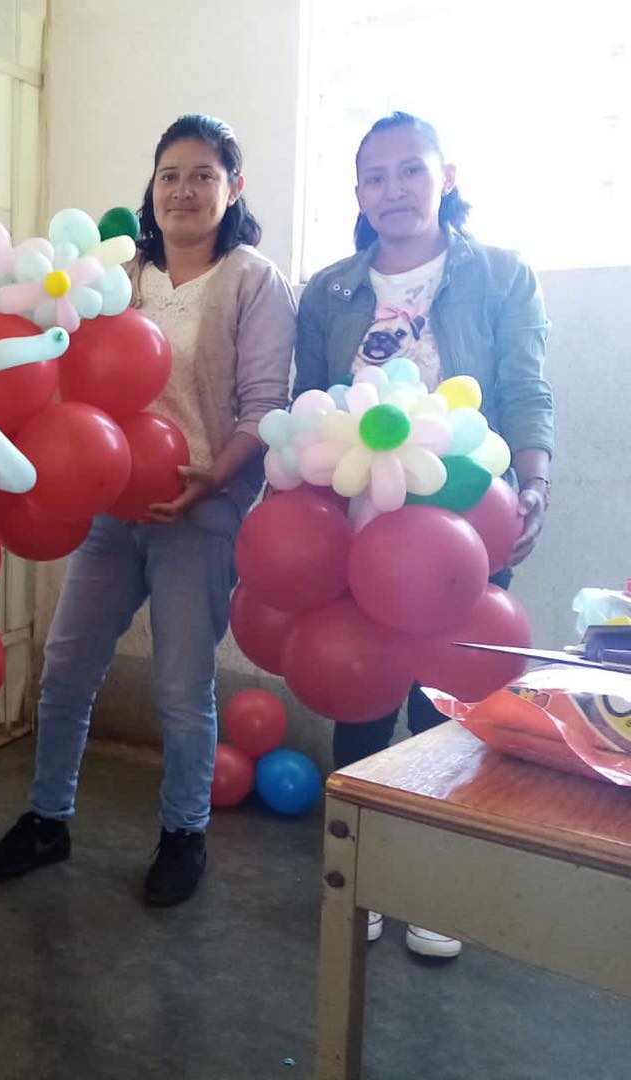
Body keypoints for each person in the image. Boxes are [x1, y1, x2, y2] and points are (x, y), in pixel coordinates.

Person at [0, 115, 296, 906]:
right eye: (169, 175)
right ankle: (48, 819)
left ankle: (184, 833)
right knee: (68, 667)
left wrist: (210, 482)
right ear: (151, 188)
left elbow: (264, 410)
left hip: (201, 512)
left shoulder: (254, 280)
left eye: (203, 174)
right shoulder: (119, 276)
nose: (184, 190)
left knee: (182, 690)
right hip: (112, 511)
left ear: (234, 187)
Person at [295, 111, 554, 958]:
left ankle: (438, 889)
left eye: (411, 170)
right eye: (375, 176)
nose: (393, 190)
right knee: (361, 693)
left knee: (449, 705)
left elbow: (525, 390)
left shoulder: (501, 275)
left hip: (466, 520)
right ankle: (360, 878)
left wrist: (535, 479)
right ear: (358, 193)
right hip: (357, 523)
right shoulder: (330, 289)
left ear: (446, 176)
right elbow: (306, 409)